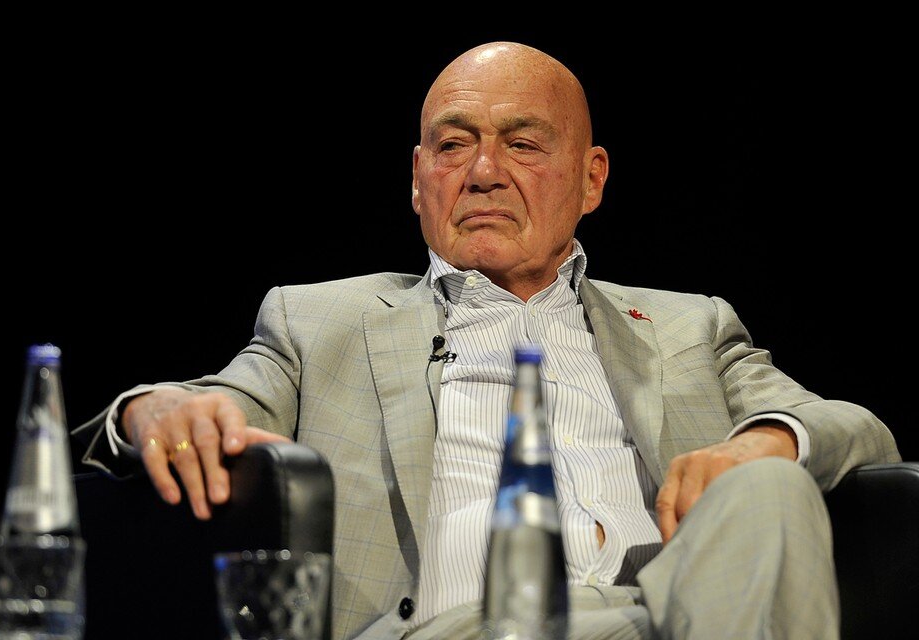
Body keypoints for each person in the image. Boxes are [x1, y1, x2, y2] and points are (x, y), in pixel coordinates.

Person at [74, 41, 901, 639]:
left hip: (680, 618)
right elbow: (217, 403)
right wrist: (156, 409)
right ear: (418, 180)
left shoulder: (690, 325)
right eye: (453, 143)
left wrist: (758, 445)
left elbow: (854, 429)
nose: (482, 171)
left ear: (592, 179)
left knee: (771, 485)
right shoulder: (318, 321)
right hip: (464, 625)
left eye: (523, 143)